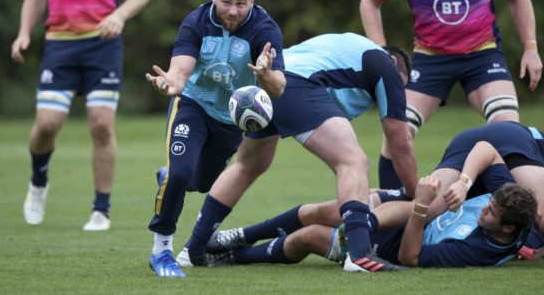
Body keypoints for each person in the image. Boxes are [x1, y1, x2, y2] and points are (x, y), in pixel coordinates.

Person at [175, 32, 418, 272]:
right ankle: (358, 254)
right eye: (400, 85)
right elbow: (400, 140)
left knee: (247, 166)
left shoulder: (352, 49)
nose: (397, 93)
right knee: (353, 161)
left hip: (267, 83)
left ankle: (192, 250)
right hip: (296, 85)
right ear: (394, 62)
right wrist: (412, 192)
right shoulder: (384, 64)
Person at [359, 0, 543, 189]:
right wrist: (382, 53)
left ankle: (508, 212)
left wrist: (531, 47)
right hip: (430, 59)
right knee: (398, 132)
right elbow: (370, 0)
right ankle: (393, 212)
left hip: (483, 56)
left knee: (509, 130)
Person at [144, 0, 286, 278]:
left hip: (229, 120)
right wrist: (172, 84)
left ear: (252, 0)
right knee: (180, 176)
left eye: (241, 3)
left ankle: (171, 177)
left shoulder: (265, 29)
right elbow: (180, 73)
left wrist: (265, 75)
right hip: (192, 104)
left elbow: (279, 87)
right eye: (225, 2)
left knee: (201, 183)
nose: (233, 11)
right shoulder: (196, 21)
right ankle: (162, 251)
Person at [12, 0, 152, 231]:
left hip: (102, 44)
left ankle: (101, 209)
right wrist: (24, 33)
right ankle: (38, 182)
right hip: (59, 45)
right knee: (47, 124)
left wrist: (119, 15)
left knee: (101, 123)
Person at [202, 179, 539, 269]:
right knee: (319, 210)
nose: (484, 211)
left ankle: (233, 256)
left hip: (392, 247)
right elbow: (484, 147)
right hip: (399, 217)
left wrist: (421, 206)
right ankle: (239, 236)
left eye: (491, 214)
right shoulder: (511, 212)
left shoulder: (477, 250)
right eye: (489, 204)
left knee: (308, 236)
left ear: (507, 228)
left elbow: (411, 257)